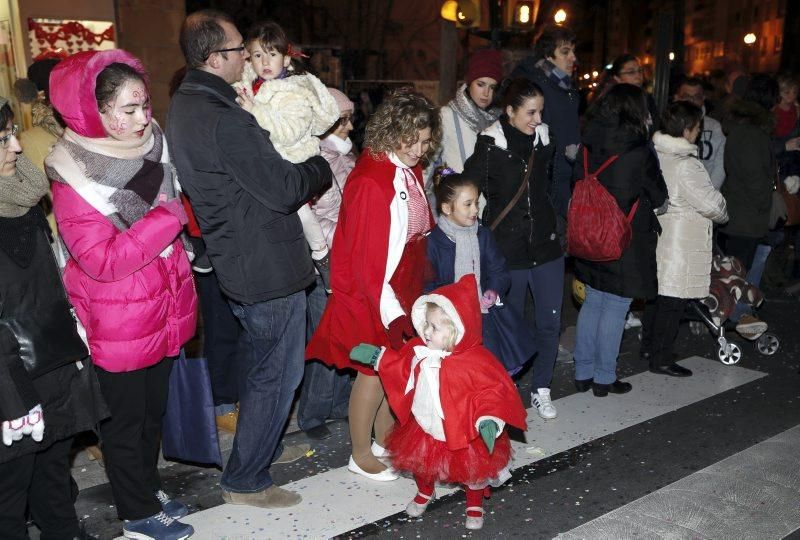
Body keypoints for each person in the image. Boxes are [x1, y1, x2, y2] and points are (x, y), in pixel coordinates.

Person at [167, 10, 331, 509]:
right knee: (277, 373)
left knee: (264, 364)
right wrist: (319, 166)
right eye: (239, 49)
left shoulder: (186, 104)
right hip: (265, 264)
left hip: (238, 257)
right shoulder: (224, 117)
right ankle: (246, 478)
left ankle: (258, 448)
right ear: (215, 58)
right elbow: (283, 187)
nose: (246, 56)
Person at [46, 50, 197, 539]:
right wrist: (170, 217)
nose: (141, 119)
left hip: (163, 305)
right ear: (94, 112)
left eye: (144, 105)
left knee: (152, 414)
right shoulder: (73, 172)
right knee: (125, 423)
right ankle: (135, 514)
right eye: (127, 110)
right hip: (118, 319)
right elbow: (102, 260)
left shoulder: (153, 145)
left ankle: (145, 486)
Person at [306, 88, 440, 481]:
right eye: (411, 139)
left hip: (401, 286)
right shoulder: (371, 179)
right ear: (391, 132)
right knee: (374, 371)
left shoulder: (403, 167)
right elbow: (367, 262)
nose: (419, 147)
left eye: (425, 139)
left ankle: (383, 440)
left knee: (393, 370)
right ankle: (360, 453)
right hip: (374, 293)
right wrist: (392, 311)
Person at [0, 97, 107, 540]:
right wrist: (11, 396)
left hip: (53, 357)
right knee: (10, 492)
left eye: (11, 134)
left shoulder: (22, 196)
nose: (17, 147)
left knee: (53, 476)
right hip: (9, 381)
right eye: (2, 139)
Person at [348, 275, 527, 531]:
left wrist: (488, 419)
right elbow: (399, 368)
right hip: (424, 424)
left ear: (456, 331)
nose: (426, 331)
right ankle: (425, 491)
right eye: (427, 325)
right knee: (421, 463)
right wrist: (379, 357)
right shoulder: (419, 350)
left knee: (472, 469)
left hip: (463, 429)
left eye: (434, 328)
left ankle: (474, 502)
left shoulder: (475, 362)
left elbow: (491, 393)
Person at [463, 78, 562, 419]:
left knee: (550, 321)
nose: (537, 119)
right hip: (509, 250)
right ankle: (506, 390)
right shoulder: (491, 145)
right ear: (510, 111)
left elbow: (551, 188)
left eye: (541, 112)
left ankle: (542, 388)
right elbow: (468, 187)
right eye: (530, 112)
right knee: (512, 324)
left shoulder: (545, 140)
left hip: (546, 246)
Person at [572, 84, 667, 397]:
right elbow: (659, 196)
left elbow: (575, 183)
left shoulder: (587, 145)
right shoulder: (638, 151)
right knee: (615, 305)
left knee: (594, 301)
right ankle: (604, 377)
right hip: (624, 240)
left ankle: (583, 372)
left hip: (589, 236)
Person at [235, 20, 339, 290]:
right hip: (265, 163)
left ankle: (321, 254)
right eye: (258, 55)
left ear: (285, 57)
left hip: (290, 159)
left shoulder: (296, 91)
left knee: (301, 211)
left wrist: (255, 111)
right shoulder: (248, 85)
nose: (264, 62)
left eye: (272, 54)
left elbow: (289, 131)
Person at [641, 102, 728, 377]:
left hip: (659, 233)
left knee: (658, 296)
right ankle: (662, 358)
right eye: (697, 127)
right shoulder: (687, 164)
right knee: (674, 301)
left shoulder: (655, 153)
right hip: (682, 239)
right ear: (688, 129)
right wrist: (724, 209)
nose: (699, 131)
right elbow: (713, 204)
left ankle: (649, 346)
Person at [425, 167, 536, 374]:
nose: (475, 210)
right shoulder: (432, 243)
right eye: (467, 205)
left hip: (484, 317)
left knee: (493, 370)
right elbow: (428, 287)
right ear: (447, 208)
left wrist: (493, 289)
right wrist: (449, 306)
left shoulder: (482, 235)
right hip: (449, 323)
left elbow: (499, 271)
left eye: (476, 202)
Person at [296, 88, 356, 441]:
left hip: (347, 259)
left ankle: (338, 403)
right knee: (324, 335)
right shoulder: (313, 159)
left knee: (347, 333)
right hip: (323, 261)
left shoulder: (346, 157)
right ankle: (313, 412)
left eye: (350, 118)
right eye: (342, 120)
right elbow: (311, 215)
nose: (350, 126)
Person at [511, 25, 580, 219]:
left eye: (573, 51)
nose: (573, 58)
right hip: (548, 186)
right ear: (548, 55)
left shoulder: (567, 88)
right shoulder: (536, 88)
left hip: (566, 181)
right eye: (565, 52)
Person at [718, 75, 780, 270]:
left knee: (736, 272)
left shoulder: (747, 126)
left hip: (742, 210)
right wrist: (764, 202)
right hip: (746, 215)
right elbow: (753, 173)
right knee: (737, 276)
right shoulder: (751, 131)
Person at [434, 48, 502, 175]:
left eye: (492, 87)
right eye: (480, 85)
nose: (486, 93)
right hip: (457, 193)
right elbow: (431, 162)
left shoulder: (498, 120)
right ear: (469, 83)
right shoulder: (447, 115)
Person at [673, 76, 727, 190]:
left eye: (696, 97)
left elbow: (720, 167)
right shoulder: (668, 125)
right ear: (677, 98)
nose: (691, 101)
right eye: (687, 97)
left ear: (703, 99)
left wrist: (707, 195)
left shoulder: (714, 127)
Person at [609, 54, 660, 135]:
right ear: (617, 78)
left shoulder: (648, 99)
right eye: (631, 72)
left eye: (640, 71)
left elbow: (655, 128)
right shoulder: (611, 103)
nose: (638, 76)